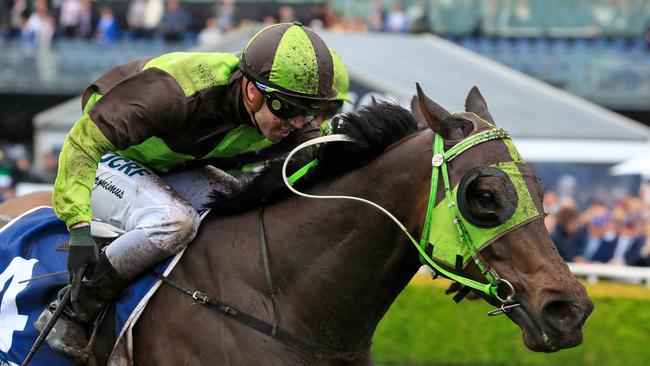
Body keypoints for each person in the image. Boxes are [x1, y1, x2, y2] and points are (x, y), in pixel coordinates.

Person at [35, 22, 337, 362]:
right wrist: (78, 227)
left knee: (238, 213)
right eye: (290, 109)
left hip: (168, 164)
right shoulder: (174, 90)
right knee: (174, 221)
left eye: (308, 111)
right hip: (106, 155)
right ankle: (73, 308)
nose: (298, 123)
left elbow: (320, 151)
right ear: (253, 91)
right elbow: (81, 144)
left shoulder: (285, 108)